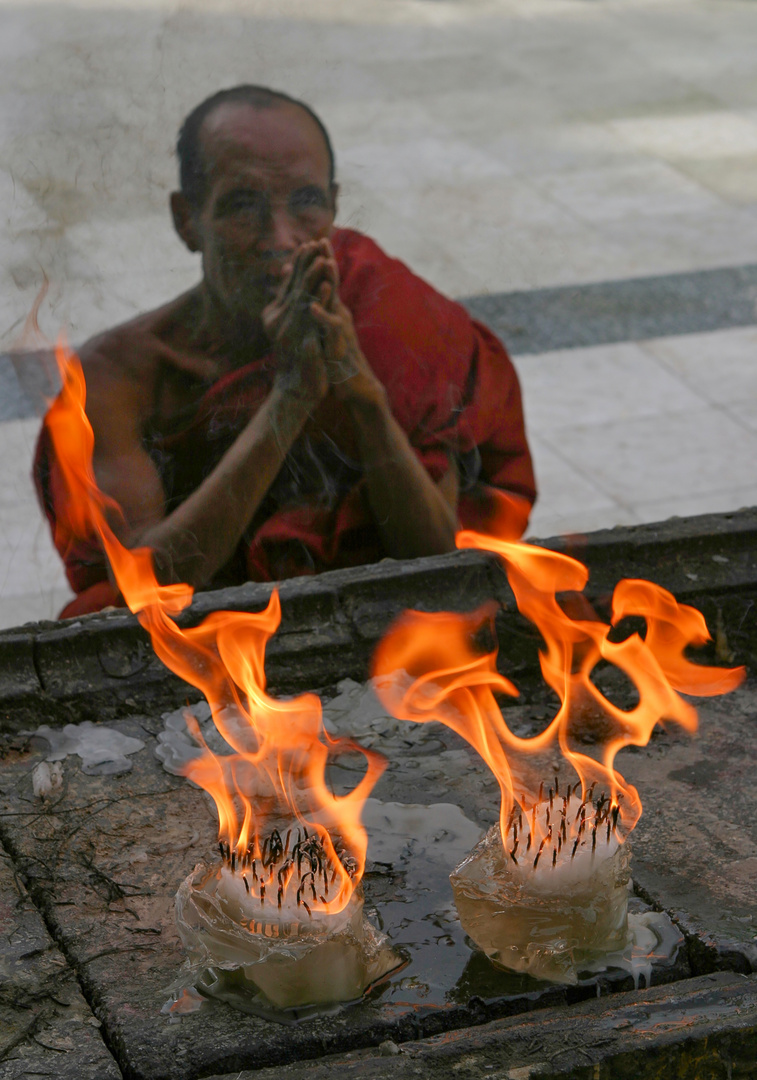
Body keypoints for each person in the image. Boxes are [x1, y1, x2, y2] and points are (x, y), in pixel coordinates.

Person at [34, 85, 536, 618]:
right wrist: (291, 399)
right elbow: (146, 582)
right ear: (187, 220)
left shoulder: (385, 317)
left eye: (306, 202)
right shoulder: (118, 377)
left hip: (381, 637)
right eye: (242, 206)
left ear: (335, 206)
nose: (280, 238)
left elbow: (437, 560)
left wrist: (360, 392)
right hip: (208, 648)